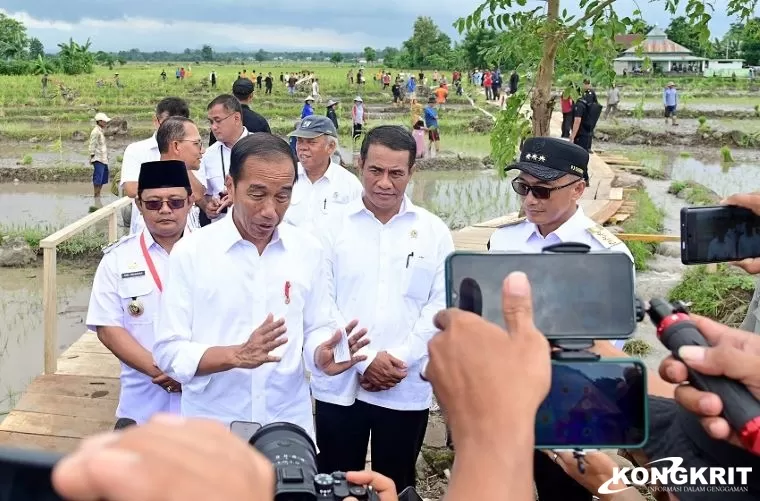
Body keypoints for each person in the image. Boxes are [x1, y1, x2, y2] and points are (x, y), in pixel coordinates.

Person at [152, 133, 368, 440]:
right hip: (212, 428)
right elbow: (168, 350)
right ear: (230, 186)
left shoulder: (307, 250)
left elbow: (316, 325)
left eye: (283, 196)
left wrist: (321, 354)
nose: (270, 211)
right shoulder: (192, 252)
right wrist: (234, 355)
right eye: (257, 194)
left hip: (286, 423)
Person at [487, 136, 634, 501]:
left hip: (573, 400)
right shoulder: (505, 241)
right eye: (523, 187)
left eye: (543, 190)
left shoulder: (607, 256)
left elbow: (607, 345)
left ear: (578, 189)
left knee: (565, 492)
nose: (530, 199)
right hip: (509, 395)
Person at [313, 126, 456, 493]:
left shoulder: (434, 232)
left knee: (398, 484)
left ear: (412, 172)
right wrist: (364, 360)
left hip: (403, 383)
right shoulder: (328, 229)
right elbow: (320, 302)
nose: (384, 183)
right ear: (360, 164)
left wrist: (399, 360)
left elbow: (440, 305)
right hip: (340, 381)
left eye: (396, 173)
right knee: (336, 484)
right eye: (375, 170)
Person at [86, 160, 195, 430]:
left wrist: (188, 373)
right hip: (142, 407)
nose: (165, 210)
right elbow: (108, 328)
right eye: (154, 203)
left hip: (204, 406)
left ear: (191, 202)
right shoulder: (117, 259)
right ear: (139, 205)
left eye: (175, 202)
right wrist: (163, 372)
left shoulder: (217, 254)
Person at [120, 97, 191, 234]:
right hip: (144, 228)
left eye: (178, 126)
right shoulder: (136, 150)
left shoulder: (192, 151)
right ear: (155, 121)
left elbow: (197, 193)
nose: (172, 131)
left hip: (183, 228)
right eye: (167, 124)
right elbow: (130, 188)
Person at [283, 116, 362, 235]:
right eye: (300, 141)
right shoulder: (284, 177)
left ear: (330, 147)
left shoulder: (349, 184)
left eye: (311, 142)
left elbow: (359, 228)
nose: (303, 148)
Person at [196, 95, 251, 226]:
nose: (213, 127)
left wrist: (238, 198)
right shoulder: (207, 155)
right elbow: (204, 194)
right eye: (211, 122)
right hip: (220, 230)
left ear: (236, 118)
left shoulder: (261, 147)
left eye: (218, 120)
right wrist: (207, 206)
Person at [209, 78, 270, 147]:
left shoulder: (220, 122)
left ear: (232, 95)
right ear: (251, 96)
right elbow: (269, 148)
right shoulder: (260, 122)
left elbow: (212, 147)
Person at [569, 81, 603, 152]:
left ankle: (587, 148)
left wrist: (572, 136)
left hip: (581, 132)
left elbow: (577, 120)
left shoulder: (579, 104)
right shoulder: (582, 102)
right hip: (587, 126)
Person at [89, 112, 111, 198]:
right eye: (105, 121)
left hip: (103, 158)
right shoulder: (95, 132)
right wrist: (92, 156)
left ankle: (98, 194)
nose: (106, 123)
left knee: (103, 178)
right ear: (100, 122)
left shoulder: (100, 131)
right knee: (98, 178)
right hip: (98, 158)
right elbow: (92, 144)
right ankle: (96, 194)